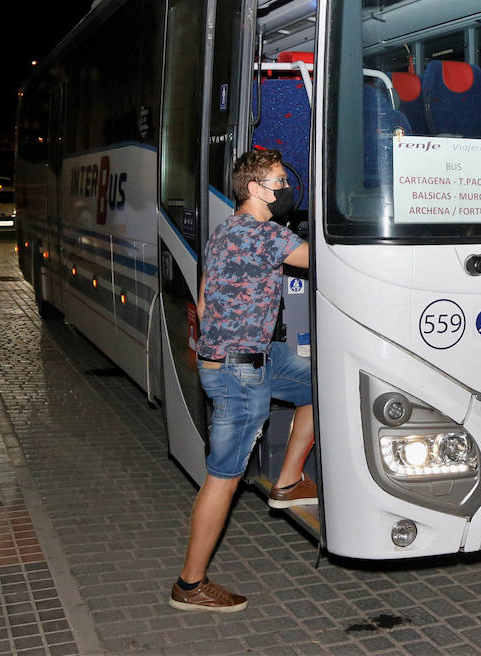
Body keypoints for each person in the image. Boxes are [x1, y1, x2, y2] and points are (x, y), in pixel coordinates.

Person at [171, 149, 316, 614]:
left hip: (251, 356)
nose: (286, 189)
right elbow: (327, 259)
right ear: (255, 189)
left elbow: (204, 300)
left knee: (320, 387)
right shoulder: (264, 235)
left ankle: (287, 482)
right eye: (279, 181)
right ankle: (190, 585)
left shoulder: (224, 231)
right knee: (223, 479)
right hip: (239, 372)